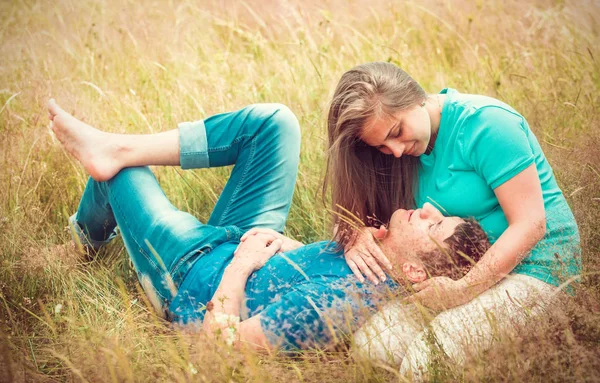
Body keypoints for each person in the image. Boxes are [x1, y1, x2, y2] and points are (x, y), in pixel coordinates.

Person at [47, 99, 490, 350]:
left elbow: (224, 349)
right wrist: (288, 244)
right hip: (241, 242)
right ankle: (112, 159)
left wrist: (241, 265)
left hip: (191, 271)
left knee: (123, 175)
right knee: (275, 123)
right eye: (439, 214)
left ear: (414, 272)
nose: (429, 208)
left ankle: (83, 240)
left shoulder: (339, 305)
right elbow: (305, 274)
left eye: (434, 227)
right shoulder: (376, 255)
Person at [323, 62, 581, 376]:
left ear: (415, 97)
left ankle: (524, 355)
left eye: (397, 132)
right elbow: (360, 216)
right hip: (455, 275)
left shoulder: (486, 123)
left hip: (537, 268)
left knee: (428, 360)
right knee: (373, 346)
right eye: (381, 145)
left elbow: (531, 223)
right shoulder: (397, 152)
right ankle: (501, 356)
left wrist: (463, 290)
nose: (395, 150)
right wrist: (355, 232)